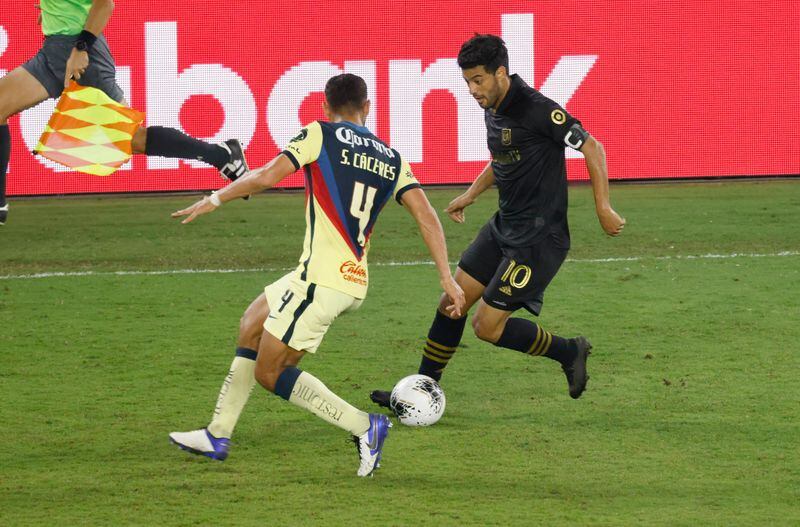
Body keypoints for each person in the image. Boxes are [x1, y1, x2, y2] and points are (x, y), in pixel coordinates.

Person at [168, 73, 465, 477]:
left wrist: (216, 198)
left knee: (270, 372)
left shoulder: (319, 134)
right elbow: (427, 215)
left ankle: (366, 427)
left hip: (321, 282)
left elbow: (267, 176)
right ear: (368, 107)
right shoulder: (391, 157)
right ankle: (217, 434)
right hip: (341, 278)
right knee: (252, 325)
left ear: (326, 108)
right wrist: (447, 277)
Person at [370, 34, 625, 409]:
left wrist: (603, 206)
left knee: (486, 327)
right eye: (467, 82)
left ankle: (569, 351)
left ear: (500, 73)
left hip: (538, 238)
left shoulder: (537, 108)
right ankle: (419, 392)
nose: (473, 90)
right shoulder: (494, 107)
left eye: (478, 80)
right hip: (503, 225)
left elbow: (592, 146)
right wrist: (471, 194)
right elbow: (504, 158)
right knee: (452, 303)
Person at [0, 0, 248, 225]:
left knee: (129, 139)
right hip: (54, 50)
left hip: (82, 53)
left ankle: (221, 155)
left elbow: (105, 4)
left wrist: (81, 47)